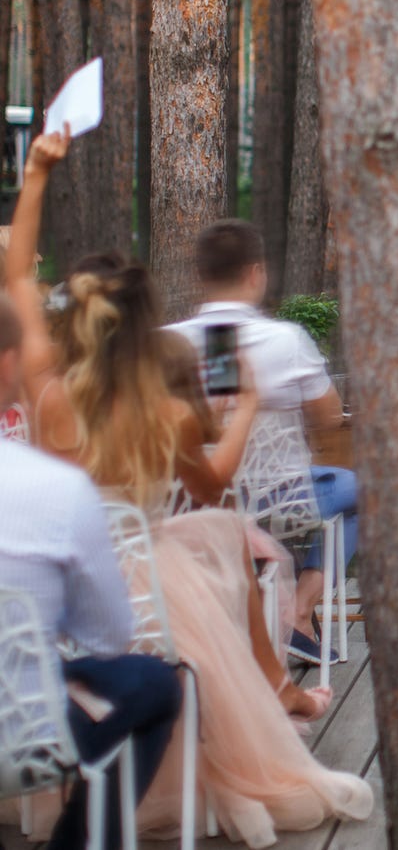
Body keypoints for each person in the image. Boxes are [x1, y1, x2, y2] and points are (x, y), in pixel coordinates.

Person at [6, 129, 373, 847]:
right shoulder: (164, 413)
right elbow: (210, 486)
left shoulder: (49, 392)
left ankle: (270, 686)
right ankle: (274, 689)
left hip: (64, 579)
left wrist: (39, 172)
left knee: (226, 540)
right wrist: (238, 412)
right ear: (144, 329)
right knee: (224, 536)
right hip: (141, 582)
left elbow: (18, 273)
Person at [0, 292, 182, 850]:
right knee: (154, 682)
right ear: (7, 362)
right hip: (22, 737)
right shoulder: (56, 487)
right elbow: (108, 636)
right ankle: (78, 841)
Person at [168, 219, 357, 666]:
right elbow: (330, 417)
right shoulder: (285, 341)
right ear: (256, 273)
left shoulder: (169, 343)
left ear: (200, 276)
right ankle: (299, 611)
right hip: (280, 498)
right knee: (363, 490)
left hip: (191, 502)